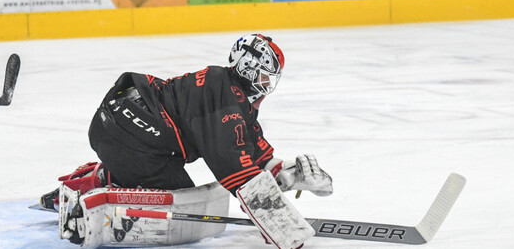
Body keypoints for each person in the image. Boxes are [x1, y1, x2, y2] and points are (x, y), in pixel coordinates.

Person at [54, 34, 332, 247]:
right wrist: (286, 232)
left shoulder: (226, 90)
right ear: (249, 70)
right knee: (181, 209)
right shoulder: (225, 104)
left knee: (179, 194)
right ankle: (87, 212)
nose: (267, 83)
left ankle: (96, 178)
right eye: (265, 75)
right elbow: (239, 173)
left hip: (120, 125)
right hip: (130, 136)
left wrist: (288, 174)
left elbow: (255, 155)